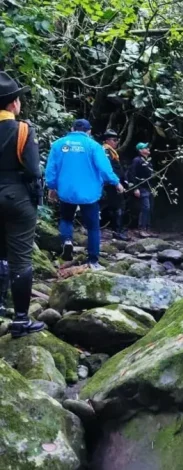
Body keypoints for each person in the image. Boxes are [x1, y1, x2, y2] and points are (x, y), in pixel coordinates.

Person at [0, 71, 45, 337]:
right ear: (13, 103)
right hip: (16, 197)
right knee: (20, 258)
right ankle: (19, 319)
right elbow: (32, 170)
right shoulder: (23, 129)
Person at [46, 119, 124, 269]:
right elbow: (104, 168)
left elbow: (51, 169)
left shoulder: (58, 144)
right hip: (89, 194)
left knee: (66, 219)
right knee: (93, 227)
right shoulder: (94, 146)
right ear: (89, 131)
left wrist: (52, 187)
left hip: (66, 191)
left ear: (72, 128)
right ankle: (93, 261)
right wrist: (116, 182)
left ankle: (67, 241)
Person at [101, 129, 129, 241]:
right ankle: (117, 231)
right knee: (118, 206)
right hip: (112, 184)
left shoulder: (111, 151)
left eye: (117, 140)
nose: (116, 142)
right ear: (107, 140)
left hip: (116, 183)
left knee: (117, 206)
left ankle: (117, 229)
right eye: (114, 140)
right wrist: (116, 182)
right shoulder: (106, 151)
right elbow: (108, 169)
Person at [130, 142, 153, 236]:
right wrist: (135, 188)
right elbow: (132, 174)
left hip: (149, 187)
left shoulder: (149, 161)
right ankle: (142, 229)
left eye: (148, 147)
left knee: (150, 208)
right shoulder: (137, 160)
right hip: (141, 187)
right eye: (145, 148)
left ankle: (147, 228)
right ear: (140, 150)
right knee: (145, 207)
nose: (148, 149)